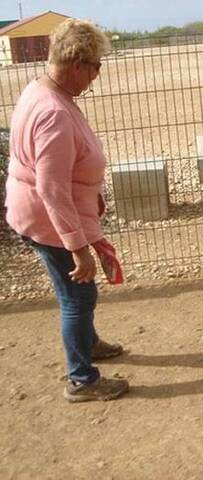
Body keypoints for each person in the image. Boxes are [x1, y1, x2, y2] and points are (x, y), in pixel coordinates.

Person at [3, 19, 129, 403]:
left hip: (44, 212)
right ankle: (82, 380)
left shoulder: (42, 91)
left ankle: (87, 345)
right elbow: (51, 188)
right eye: (95, 67)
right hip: (49, 220)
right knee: (78, 296)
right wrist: (77, 246)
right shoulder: (54, 112)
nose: (96, 75)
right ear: (77, 64)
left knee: (75, 293)